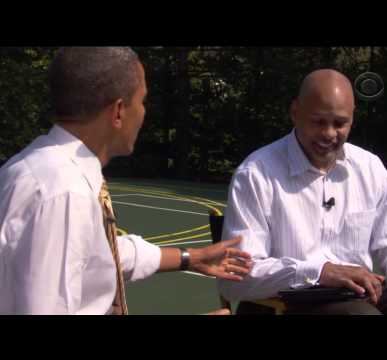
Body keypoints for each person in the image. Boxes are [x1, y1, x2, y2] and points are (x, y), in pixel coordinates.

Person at [0, 47, 252, 315]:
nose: (144, 112)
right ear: (119, 111)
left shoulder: (38, 167)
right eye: (142, 101)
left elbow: (97, 256)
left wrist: (191, 258)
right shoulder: (65, 192)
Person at [218, 69, 387, 315]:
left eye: (340, 123)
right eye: (318, 121)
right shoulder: (256, 174)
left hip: (360, 295)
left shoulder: (369, 167)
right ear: (295, 113)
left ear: (352, 119)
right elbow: (235, 278)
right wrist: (320, 272)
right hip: (285, 303)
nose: (329, 134)